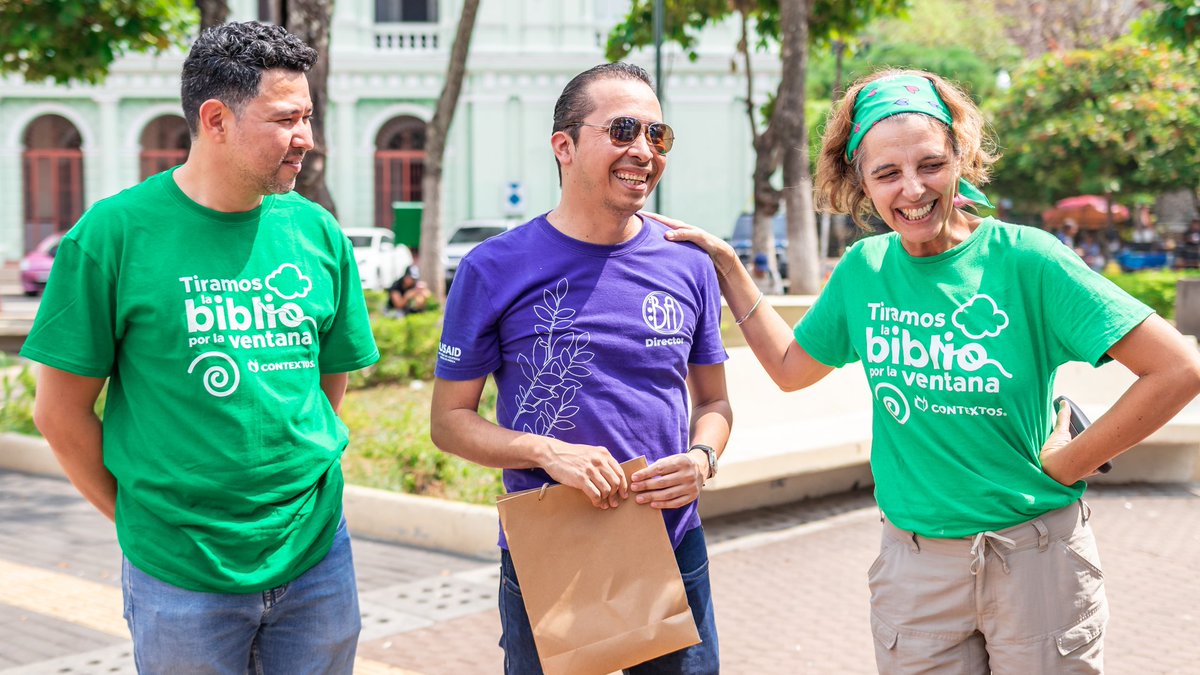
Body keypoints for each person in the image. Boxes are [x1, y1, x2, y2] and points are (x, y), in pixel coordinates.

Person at [662, 69, 1200, 673]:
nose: (912, 189)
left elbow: (1178, 368)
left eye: (931, 165)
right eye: (887, 173)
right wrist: (732, 268)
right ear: (860, 182)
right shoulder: (865, 270)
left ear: (960, 158)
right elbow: (791, 370)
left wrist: (1066, 463)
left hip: (1035, 554)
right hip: (915, 569)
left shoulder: (1028, 260)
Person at [22, 21, 378, 673]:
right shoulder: (113, 234)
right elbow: (59, 410)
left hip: (317, 557)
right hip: (179, 577)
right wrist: (140, 519)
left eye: (307, 116)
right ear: (216, 119)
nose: (308, 139)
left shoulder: (317, 231)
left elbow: (327, 384)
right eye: (287, 119)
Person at [430, 62, 732, 673]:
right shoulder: (493, 267)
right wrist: (547, 452)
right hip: (552, 552)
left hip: (673, 542)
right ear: (563, 146)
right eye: (623, 131)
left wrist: (702, 460)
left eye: (658, 135)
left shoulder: (688, 263)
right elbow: (449, 422)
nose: (643, 151)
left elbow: (715, 404)